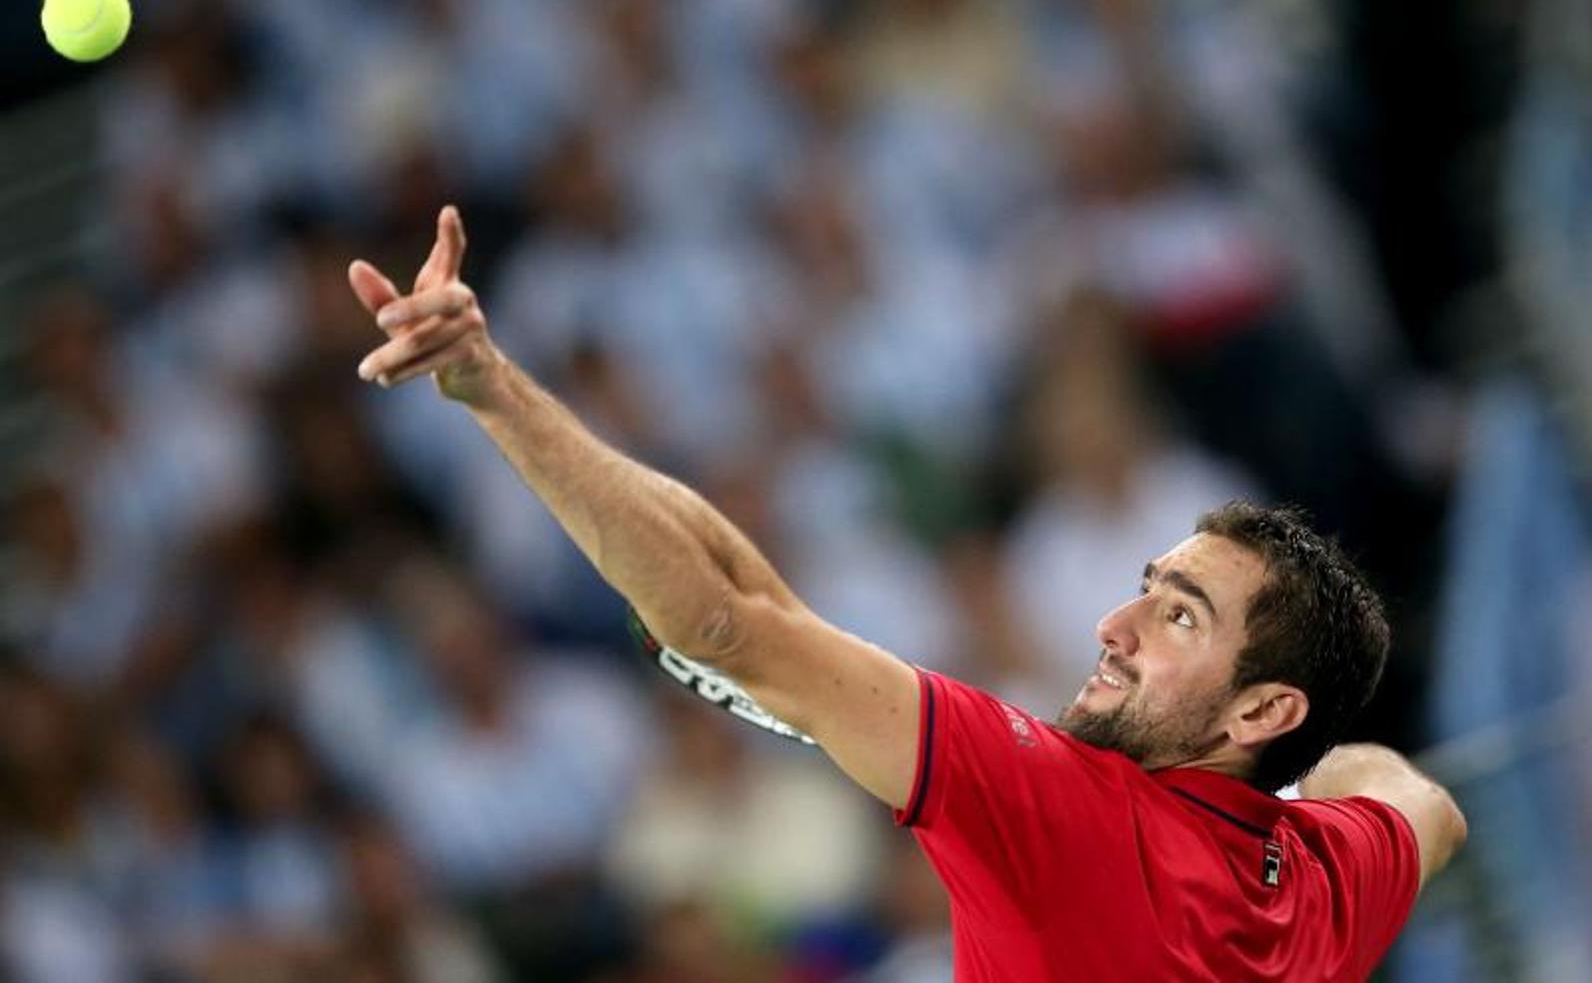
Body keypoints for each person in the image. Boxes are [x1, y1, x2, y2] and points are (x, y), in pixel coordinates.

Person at [346, 206, 1467, 981]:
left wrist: (492, 389)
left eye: (1178, 616)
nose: (1113, 626)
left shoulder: (1060, 809)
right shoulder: (1320, 883)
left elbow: (726, 620)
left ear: (1262, 708)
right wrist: (1296, 801)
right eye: (1146, 588)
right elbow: (1422, 804)